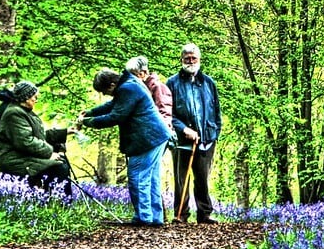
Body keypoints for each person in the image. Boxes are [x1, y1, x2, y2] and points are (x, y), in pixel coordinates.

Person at [78, 67, 171, 227]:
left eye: (104, 91)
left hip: (147, 139)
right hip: (157, 136)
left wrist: (87, 122)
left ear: (112, 84)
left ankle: (144, 218)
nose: (104, 94)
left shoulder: (128, 88)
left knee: (137, 176)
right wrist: (90, 112)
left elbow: (116, 116)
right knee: (151, 178)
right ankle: (155, 218)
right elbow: (113, 105)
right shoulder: (130, 83)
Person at [167, 43, 222, 224]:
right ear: (181, 60)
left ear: (199, 60)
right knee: (181, 178)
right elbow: (167, 113)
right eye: (187, 58)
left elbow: (216, 111)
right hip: (181, 139)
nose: (190, 61)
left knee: (202, 177)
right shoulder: (172, 83)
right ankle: (181, 215)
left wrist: (215, 133)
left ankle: (204, 213)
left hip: (206, 138)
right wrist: (184, 129)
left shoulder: (208, 82)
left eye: (194, 58)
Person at [0, 80, 75, 196]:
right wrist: (50, 153)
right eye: (34, 97)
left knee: (60, 162)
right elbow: (26, 142)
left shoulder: (23, 112)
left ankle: (54, 200)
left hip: (23, 156)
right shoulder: (14, 113)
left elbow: (38, 136)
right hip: (15, 160)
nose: (36, 100)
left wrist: (64, 132)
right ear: (26, 98)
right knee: (59, 166)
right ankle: (59, 202)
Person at [125, 56, 174, 132]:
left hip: (157, 136)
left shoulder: (158, 87)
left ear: (143, 73)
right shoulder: (138, 88)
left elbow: (165, 113)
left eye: (134, 75)